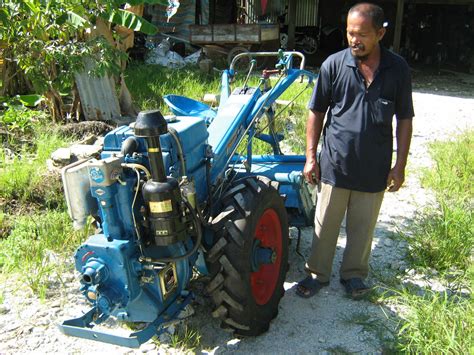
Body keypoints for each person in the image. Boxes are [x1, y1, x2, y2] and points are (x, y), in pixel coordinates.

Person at [296, 2, 414, 299]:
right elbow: (316, 112)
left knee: (362, 229)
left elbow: (404, 119)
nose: (353, 40)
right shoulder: (333, 65)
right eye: (350, 33)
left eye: (361, 34)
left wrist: (399, 166)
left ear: (380, 34)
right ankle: (316, 274)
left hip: (374, 166)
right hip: (335, 163)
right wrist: (311, 157)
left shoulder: (397, 69)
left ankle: (354, 276)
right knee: (324, 227)